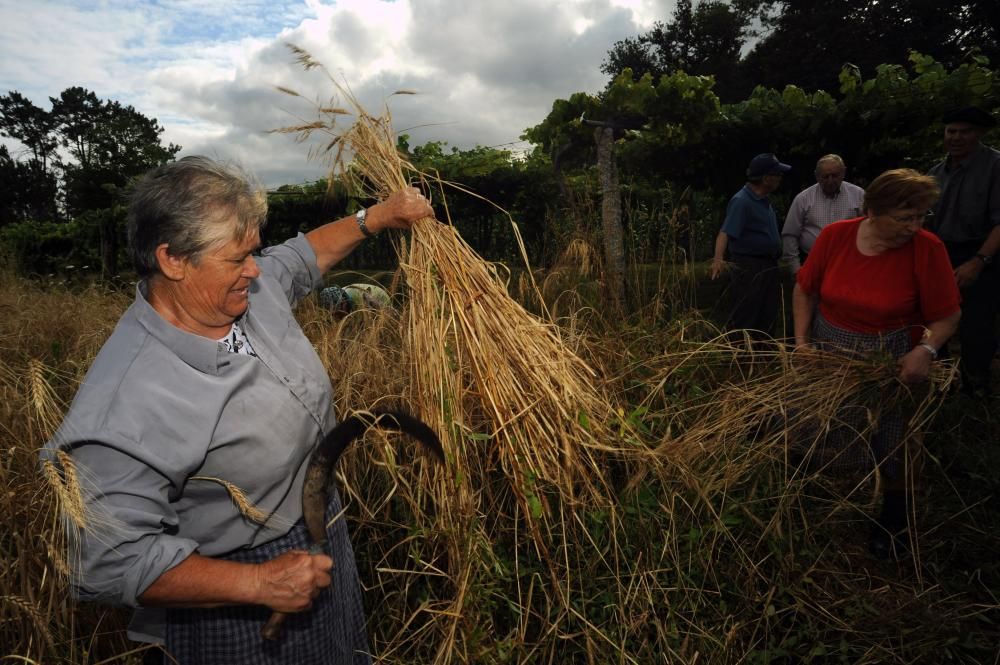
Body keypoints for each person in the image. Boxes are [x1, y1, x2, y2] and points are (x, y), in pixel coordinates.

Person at [41, 156, 434, 663]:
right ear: (173, 260)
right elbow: (108, 562)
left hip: (318, 537)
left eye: (253, 252)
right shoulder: (127, 403)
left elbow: (299, 257)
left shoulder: (241, 291)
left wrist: (375, 218)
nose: (255, 270)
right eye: (238, 258)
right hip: (235, 601)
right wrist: (258, 582)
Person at [792, 168, 961, 559]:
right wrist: (801, 343)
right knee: (818, 422)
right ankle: (808, 499)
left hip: (891, 360)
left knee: (894, 439)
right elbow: (804, 288)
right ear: (873, 210)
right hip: (830, 351)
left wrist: (926, 351)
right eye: (905, 218)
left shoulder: (928, 249)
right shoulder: (835, 237)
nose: (914, 227)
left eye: (921, 217)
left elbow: (948, 316)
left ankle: (893, 522)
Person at [926, 105, 1000, 398]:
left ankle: (976, 387)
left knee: (976, 325)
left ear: (979, 134)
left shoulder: (994, 166)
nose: (956, 137)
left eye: (964, 131)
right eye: (951, 131)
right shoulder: (935, 173)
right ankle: (941, 381)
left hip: (981, 254)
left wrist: (979, 261)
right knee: (934, 319)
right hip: (940, 255)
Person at [710, 152, 791, 340]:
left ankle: (764, 356)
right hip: (750, 266)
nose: (780, 178)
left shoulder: (763, 200)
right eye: (777, 174)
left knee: (768, 311)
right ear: (765, 178)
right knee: (748, 312)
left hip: (767, 265)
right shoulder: (742, 201)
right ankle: (742, 357)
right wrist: (718, 259)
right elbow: (725, 232)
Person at [781, 154, 865, 274]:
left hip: (849, 264)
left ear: (843, 173)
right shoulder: (803, 199)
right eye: (825, 177)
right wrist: (796, 270)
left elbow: (869, 228)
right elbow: (790, 235)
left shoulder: (858, 195)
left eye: (835, 176)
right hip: (813, 263)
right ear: (817, 176)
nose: (830, 181)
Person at [319, 283, 393, 316]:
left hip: (379, 299)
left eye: (340, 308)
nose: (340, 312)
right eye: (335, 313)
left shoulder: (359, 295)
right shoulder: (336, 300)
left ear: (344, 300)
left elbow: (385, 311)